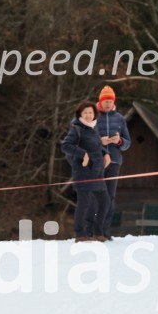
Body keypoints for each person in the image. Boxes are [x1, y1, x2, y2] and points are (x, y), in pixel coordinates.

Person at [60, 102, 109, 242]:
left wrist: (105, 153)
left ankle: (98, 232)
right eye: (86, 113)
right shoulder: (77, 129)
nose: (88, 115)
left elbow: (96, 145)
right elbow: (65, 146)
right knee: (84, 203)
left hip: (97, 172)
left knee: (104, 202)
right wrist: (83, 154)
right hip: (83, 172)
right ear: (80, 114)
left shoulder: (93, 128)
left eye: (91, 113)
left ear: (95, 114)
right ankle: (80, 234)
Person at [94, 86, 131, 239]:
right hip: (98, 162)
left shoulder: (120, 119)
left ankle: (104, 230)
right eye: (105, 101)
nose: (108, 104)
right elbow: (86, 138)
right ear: (100, 102)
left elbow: (128, 143)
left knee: (110, 197)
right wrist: (99, 141)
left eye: (110, 101)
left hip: (114, 162)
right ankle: (92, 229)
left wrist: (119, 141)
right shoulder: (93, 116)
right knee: (96, 196)